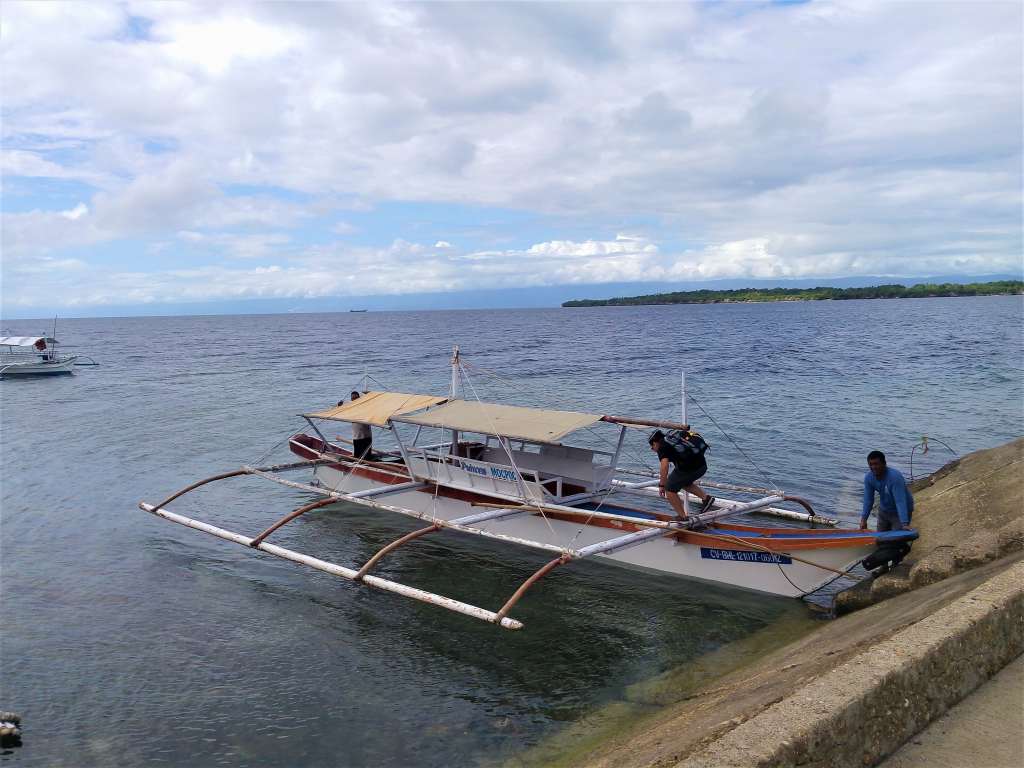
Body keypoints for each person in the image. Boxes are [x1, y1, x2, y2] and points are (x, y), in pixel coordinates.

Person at [649, 429, 715, 520]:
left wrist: (662, 485)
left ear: (655, 443)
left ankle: (683, 517)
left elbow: (664, 467)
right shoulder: (674, 438)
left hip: (689, 469)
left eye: (652, 446)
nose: (652, 449)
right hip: (702, 467)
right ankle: (706, 499)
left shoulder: (662, 446)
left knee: (669, 489)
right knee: (682, 482)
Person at [860, 450, 914, 531]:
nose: (873, 467)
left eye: (876, 464)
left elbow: (900, 501)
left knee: (896, 539)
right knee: (880, 539)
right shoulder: (869, 478)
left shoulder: (895, 477)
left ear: (884, 463)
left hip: (900, 511)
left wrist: (904, 523)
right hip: (884, 510)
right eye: (871, 464)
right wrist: (863, 519)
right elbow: (868, 500)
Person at [348, 391, 374, 461]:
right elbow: (339, 411)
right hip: (357, 438)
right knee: (358, 457)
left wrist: (368, 395)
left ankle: (369, 468)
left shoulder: (365, 407)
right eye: (353, 398)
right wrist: (339, 406)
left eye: (356, 398)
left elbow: (371, 404)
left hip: (367, 437)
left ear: (359, 398)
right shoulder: (350, 408)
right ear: (351, 399)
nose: (354, 400)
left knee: (368, 457)